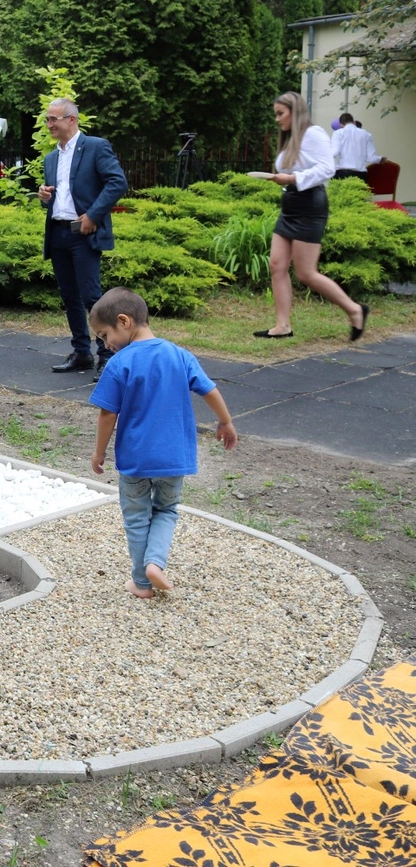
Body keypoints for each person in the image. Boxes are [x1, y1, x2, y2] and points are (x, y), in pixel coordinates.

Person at [88, 288, 238, 599]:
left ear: (124, 321)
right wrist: (224, 421)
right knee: (167, 510)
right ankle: (156, 562)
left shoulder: (119, 363)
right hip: (173, 458)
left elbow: (107, 414)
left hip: (134, 461)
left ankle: (142, 582)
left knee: (136, 516)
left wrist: (99, 452)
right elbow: (209, 390)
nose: (105, 344)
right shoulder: (180, 355)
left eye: (105, 335)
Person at [253, 92, 369, 341]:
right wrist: (282, 179)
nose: (277, 119)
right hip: (290, 206)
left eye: (280, 114)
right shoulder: (291, 138)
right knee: (276, 265)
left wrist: (293, 178)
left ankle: (355, 310)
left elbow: (328, 168)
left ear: (295, 112)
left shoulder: (314, 133)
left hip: (310, 206)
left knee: (306, 273)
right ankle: (283, 325)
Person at [38, 98, 128, 379]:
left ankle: (107, 355)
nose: (50, 124)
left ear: (72, 120)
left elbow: (118, 182)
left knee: (92, 296)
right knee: (69, 296)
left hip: (83, 233)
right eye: (48, 119)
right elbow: (59, 197)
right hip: (58, 232)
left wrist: (93, 216)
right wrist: (45, 198)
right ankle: (81, 353)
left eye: (54, 119)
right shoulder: (51, 158)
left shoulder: (95, 147)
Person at [331, 112, 384, 181]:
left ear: (340, 124)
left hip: (342, 173)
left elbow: (334, 152)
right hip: (360, 174)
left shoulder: (338, 133)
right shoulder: (367, 134)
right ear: (354, 122)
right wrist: (381, 159)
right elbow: (371, 158)